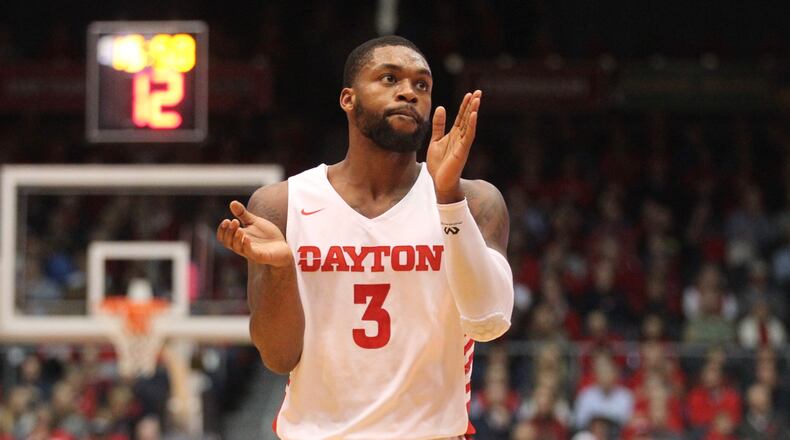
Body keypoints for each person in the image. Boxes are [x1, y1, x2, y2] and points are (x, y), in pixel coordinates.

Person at [217, 35, 514, 439]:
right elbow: (278, 355)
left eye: (421, 85)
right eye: (389, 79)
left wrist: (448, 199)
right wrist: (283, 269)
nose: (409, 92)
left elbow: (488, 323)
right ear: (348, 99)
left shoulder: (475, 200)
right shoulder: (282, 204)